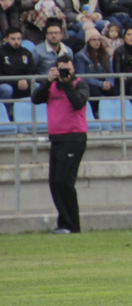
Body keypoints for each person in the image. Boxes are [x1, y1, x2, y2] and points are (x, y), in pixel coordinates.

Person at [32, 55, 89, 234]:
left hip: (74, 137)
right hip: (57, 138)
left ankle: (71, 225)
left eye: (68, 69)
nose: (65, 72)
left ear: (73, 69)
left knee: (65, 181)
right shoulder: (51, 86)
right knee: (55, 182)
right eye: (61, 69)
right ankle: (64, 223)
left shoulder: (80, 84)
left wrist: (66, 84)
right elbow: (35, 98)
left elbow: (79, 102)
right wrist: (48, 81)